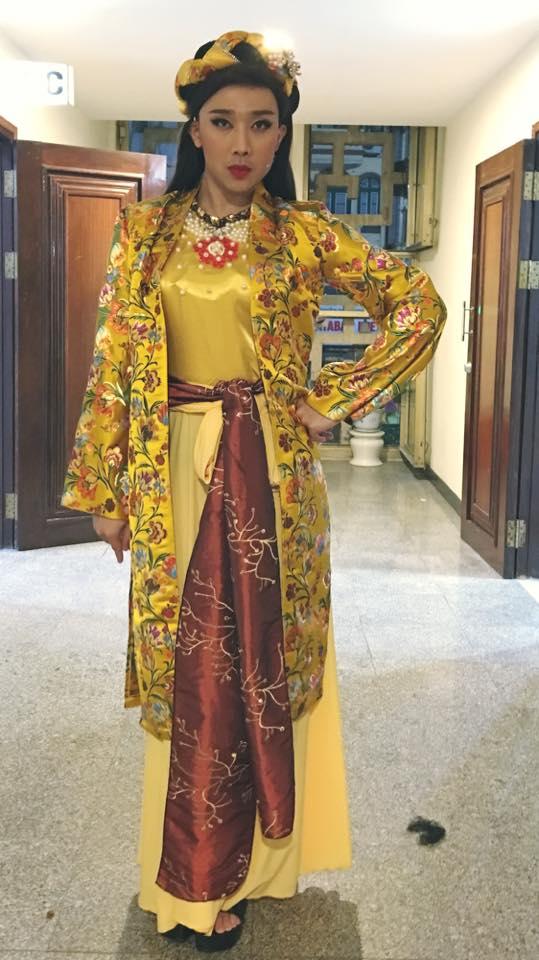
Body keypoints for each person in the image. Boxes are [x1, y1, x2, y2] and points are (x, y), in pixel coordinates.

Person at [61, 30, 447, 953]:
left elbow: (418, 308)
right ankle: (188, 880)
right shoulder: (144, 232)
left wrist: (332, 399)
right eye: (223, 121)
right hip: (173, 471)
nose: (242, 142)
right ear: (193, 128)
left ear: (282, 134)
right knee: (188, 672)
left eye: (262, 124)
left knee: (264, 661)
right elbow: (113, 362)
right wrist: (105, 486)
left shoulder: (304, 232)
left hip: (272, 475)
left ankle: (260, 870)